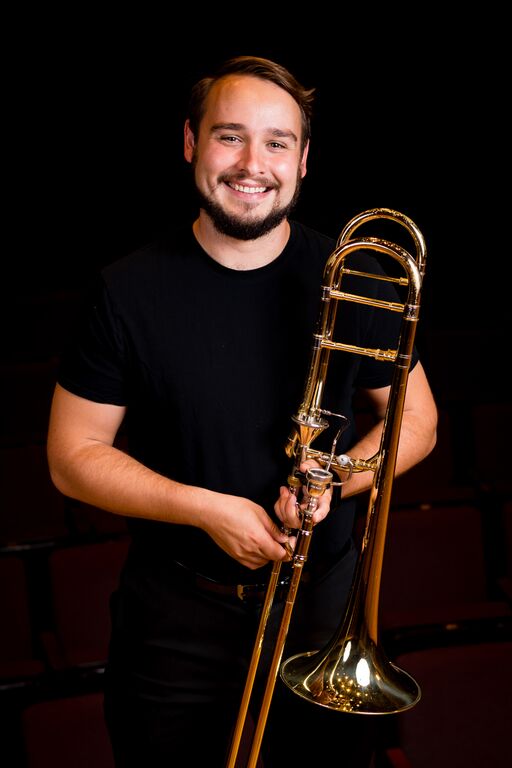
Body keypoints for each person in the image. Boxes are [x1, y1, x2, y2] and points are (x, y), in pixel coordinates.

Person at [47, 55, 437, 767]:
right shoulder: (125, 292)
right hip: (176, 621)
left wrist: (337, 481)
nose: (252, 163)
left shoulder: (359, 274)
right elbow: (73, 459)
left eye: (277, 142)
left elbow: (419, 421)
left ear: (304, 159)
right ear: (191, 143)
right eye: (230, 136)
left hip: (322, 608)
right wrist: (205, 509)